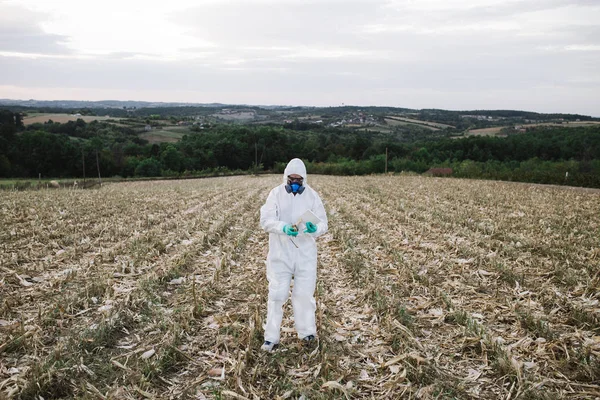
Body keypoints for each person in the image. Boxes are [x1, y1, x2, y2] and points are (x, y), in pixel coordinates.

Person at [259, 158, 328, 351]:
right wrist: (283, 227)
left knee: (304, 294)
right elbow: (265, 220)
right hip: (280, 253)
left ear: (304, 178)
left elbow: (324, 223)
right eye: (292, 178)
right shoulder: (275, 194)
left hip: (305, 253)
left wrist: (315, 229)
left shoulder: (312, 196)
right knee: (277, 295)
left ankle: (307, 333)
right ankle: (271, 337)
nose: (295, 182)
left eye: (299, 179)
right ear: (286, 177)